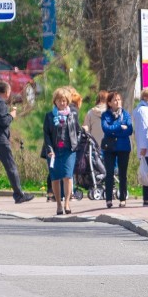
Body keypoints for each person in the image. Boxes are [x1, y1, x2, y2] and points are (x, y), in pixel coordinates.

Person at [0, 81, 32, 204]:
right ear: (6, 92)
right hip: (0, 141)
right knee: (11, 167)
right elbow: (4, 121)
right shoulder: (1, 104)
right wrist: (12, 115)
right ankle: (19, 195)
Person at [43, 87, 81, 215]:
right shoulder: (49, 116)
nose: (62, 103)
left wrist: (76, 144)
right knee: (55, 177)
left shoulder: (72, 115)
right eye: (60, 101)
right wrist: (49, 149)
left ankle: (67, 203)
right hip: (53, 151)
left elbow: (78, 131)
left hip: (68, 151)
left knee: (67, 176)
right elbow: (46, 135)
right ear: (55, 102)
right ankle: (59, 204)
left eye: (64, 100)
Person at [101, 91, 133, 208]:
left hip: (123, 147)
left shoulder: (126, 114)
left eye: (119, 99)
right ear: (109, 103)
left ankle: (123, 198)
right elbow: (106, 129)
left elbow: (129, 130)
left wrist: (115, 131)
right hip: (109, 148)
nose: (118, 102)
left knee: (122, 173)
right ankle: (109, 199)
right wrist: (119, 126)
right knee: (109, 173)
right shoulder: (105, 115)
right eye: (115, 100)